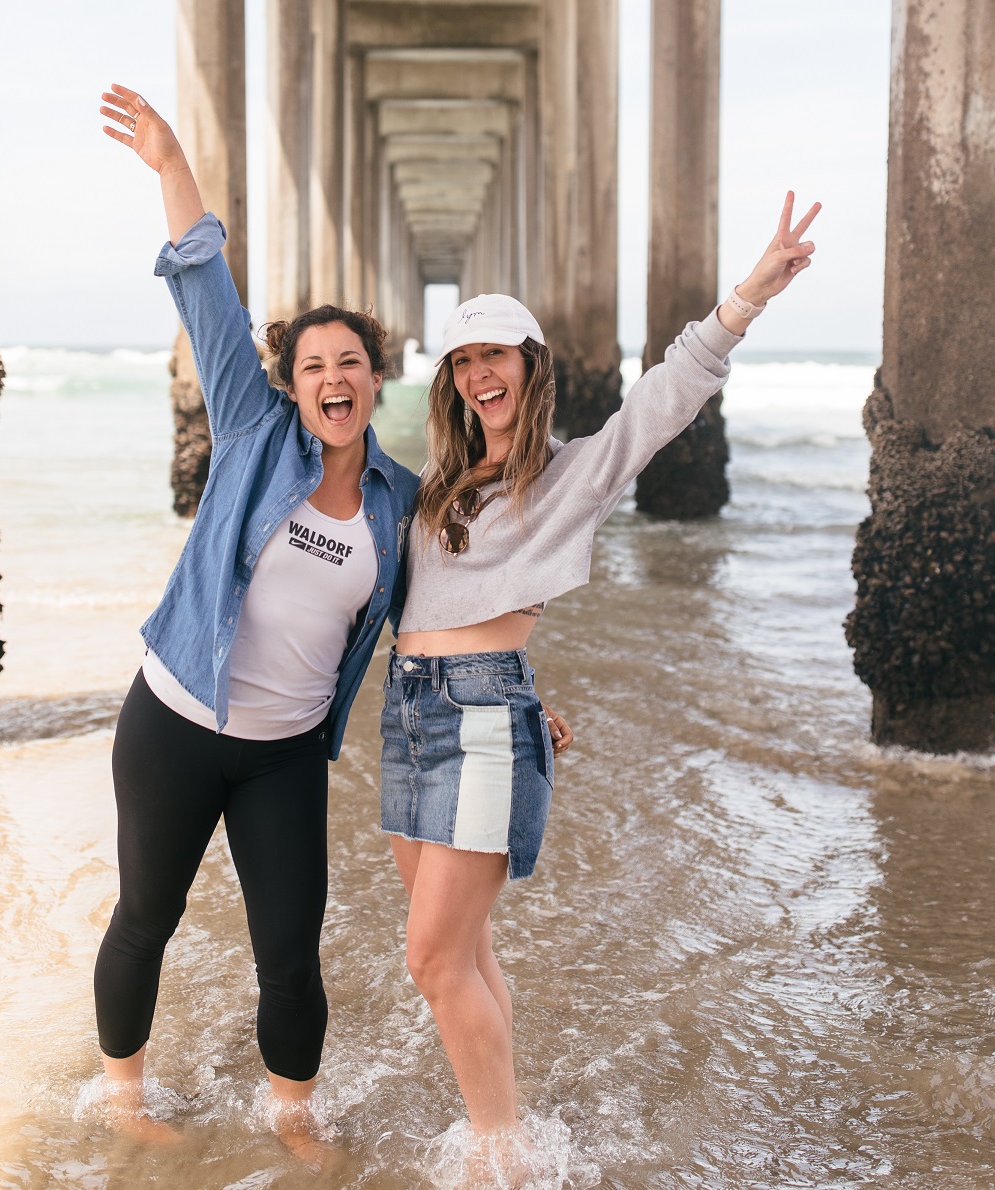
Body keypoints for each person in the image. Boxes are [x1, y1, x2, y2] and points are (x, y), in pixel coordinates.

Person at [92, 81, 575, 1159]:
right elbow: (204, 291)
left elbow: (460, 617)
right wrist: (173, 166)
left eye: (349, 361)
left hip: (280, 754)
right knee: (144, 919)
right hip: (173, 718)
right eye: (312, 366)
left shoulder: (403, 502)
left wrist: (527, 711)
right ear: (292, 386)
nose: (331, 378)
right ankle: (123, 1095)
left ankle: (291, 1119)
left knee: (291, 952)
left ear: (375, 377)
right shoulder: (254, 436)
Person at [380, 193, 821, 1174]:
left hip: (479, 716)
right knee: (462, 953)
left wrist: (743, 297)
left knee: (433, 955)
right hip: (408, 715)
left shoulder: (570, 473)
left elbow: (666, 395)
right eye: (461, 359)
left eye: (493, 354)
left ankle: (504, 1153)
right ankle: (505, 1125)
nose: (477, 373)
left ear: (529, 366)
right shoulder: (437, 487)